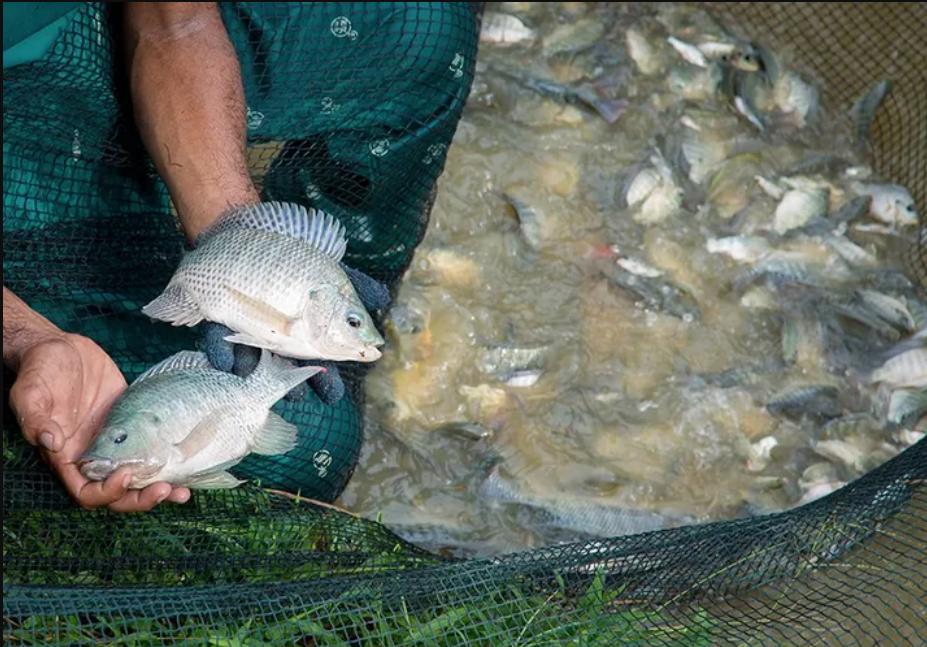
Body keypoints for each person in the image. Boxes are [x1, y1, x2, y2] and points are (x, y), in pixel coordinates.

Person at [3, 3, 478, 511]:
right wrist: (25, 336)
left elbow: (175, 22)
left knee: (420, 27)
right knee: (311, 441)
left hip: (88, 30)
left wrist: (236, 238)